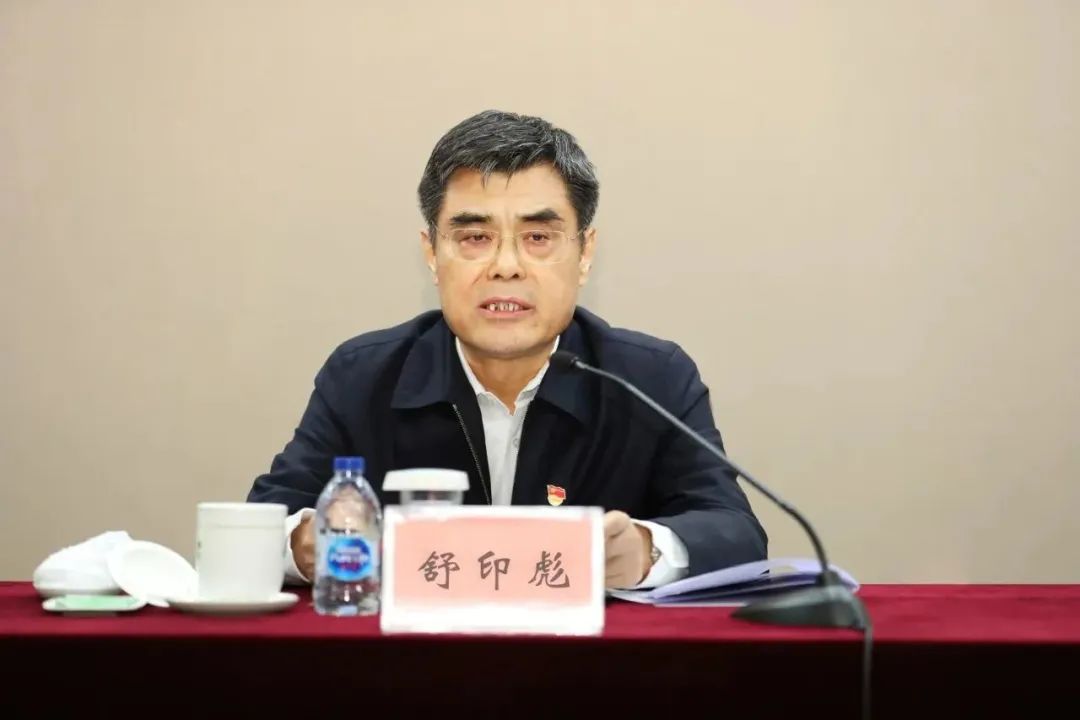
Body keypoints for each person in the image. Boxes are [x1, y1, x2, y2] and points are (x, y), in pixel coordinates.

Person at [246, 109, 767, 589]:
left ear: (585, 253)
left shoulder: (648, 378)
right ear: (432, 253)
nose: (506, 266)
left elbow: (735, 532)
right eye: (475, 237)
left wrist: (646, 550)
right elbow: (262, 524)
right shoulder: (364, 376)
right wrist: (307, 542)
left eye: (538, 237)